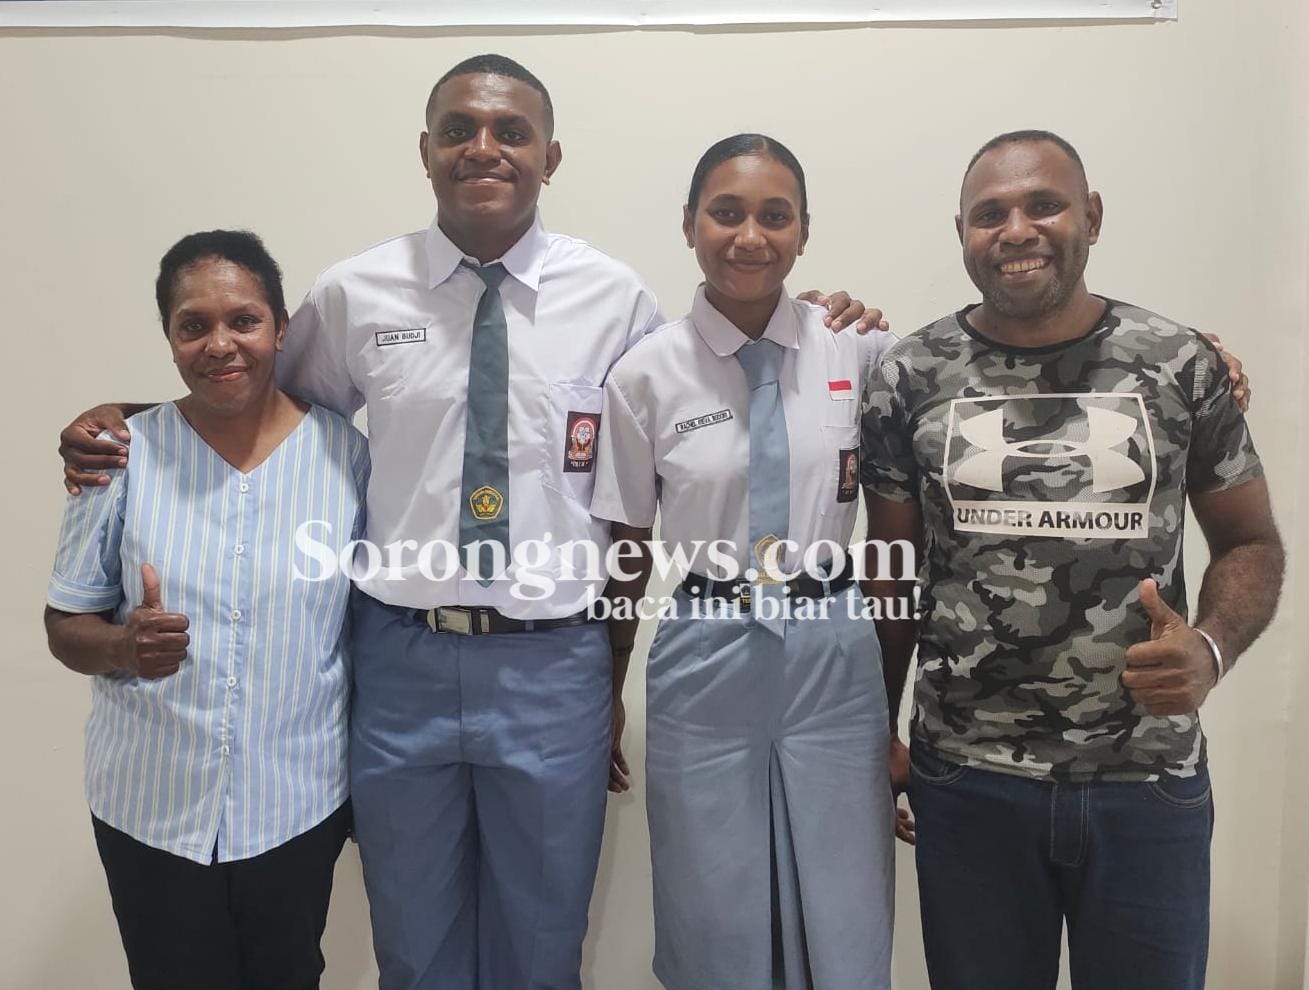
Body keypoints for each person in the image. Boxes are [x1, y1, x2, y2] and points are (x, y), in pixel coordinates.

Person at [54, 56, 883, 990]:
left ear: (550, 156)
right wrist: (127, 420)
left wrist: (822, 323)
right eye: (458, 130)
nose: (483, 148)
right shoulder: (355, 293)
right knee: (415, 947)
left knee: (543, 946)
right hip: (398, 661)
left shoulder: (614, 301)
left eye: (511, 132)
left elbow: (704, 396)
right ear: (425, 151)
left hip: (553, 664)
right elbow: (251, 404)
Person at [860, 130, 1285, 990]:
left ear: (1090, 216)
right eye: (989, 214)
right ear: (961, 233)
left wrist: (1209, 650)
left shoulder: (1178, 363)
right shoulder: (908, 375)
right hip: (966, 780)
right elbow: (892, 568)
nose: (1016, 230)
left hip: (1144, 780)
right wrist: (877, 730)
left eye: (1043, 205)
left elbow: (1250, 541)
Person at [592, 134, 900, 990]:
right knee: (710, 903)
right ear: (689, 224)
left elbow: (976, 367)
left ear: (804, 231)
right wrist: (607, 685)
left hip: (832, 650)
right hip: (706, 646)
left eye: (775, 215)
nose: (750, 236)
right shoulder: (644, 375)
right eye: (725, 213)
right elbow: (627, 547)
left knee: (846, 900)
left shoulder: (860, 351)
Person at [44, 230, 369, 990]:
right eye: (194, 325)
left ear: (281, 328)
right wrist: (122, 647)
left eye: (243, 320)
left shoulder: (346, 458)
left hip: (297, 803)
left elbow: (366, 628)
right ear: (170, 339)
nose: (220, 344)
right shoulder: (120, 455)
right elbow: (64, 626)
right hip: (150, 807)